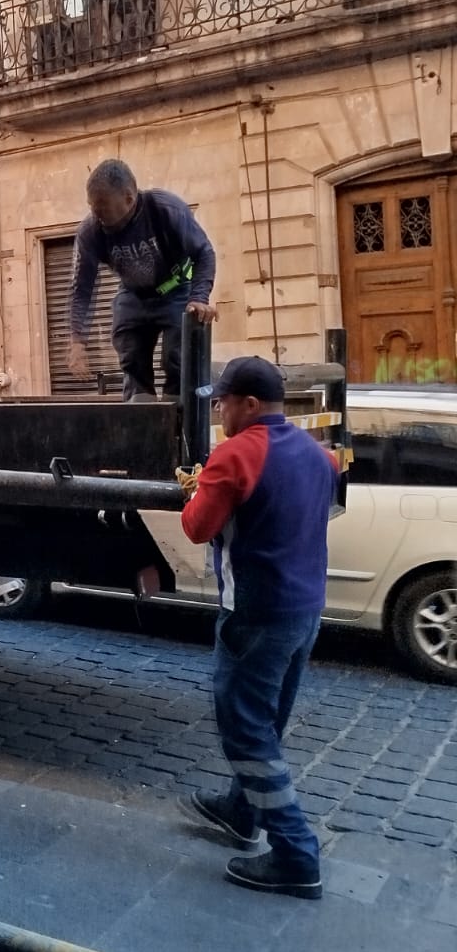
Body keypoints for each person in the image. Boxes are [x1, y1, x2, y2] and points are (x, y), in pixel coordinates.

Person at [178, 356, 338, 899]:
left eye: (223, 402)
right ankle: (240, 811)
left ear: (249, 404)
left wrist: (195, 489)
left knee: (247, 730)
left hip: (255, 614)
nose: (219, 412)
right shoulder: (319, 455)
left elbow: (198, 527)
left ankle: (296, 854)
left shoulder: (235, 455)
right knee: (269, 721)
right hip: (305, 610)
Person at [69, 160, 217, 400]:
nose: (97, 215)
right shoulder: (90, 231)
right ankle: (140, 411)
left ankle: (178, 413)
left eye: (103, 208)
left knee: (179, 358)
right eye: (92, 207)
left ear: (129, 198)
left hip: (176, 290)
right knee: (132, 359)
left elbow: (204, 253)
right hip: (133, 296)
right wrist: (78, 340)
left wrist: (199, 298)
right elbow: (81, 288)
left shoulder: (167, 210)